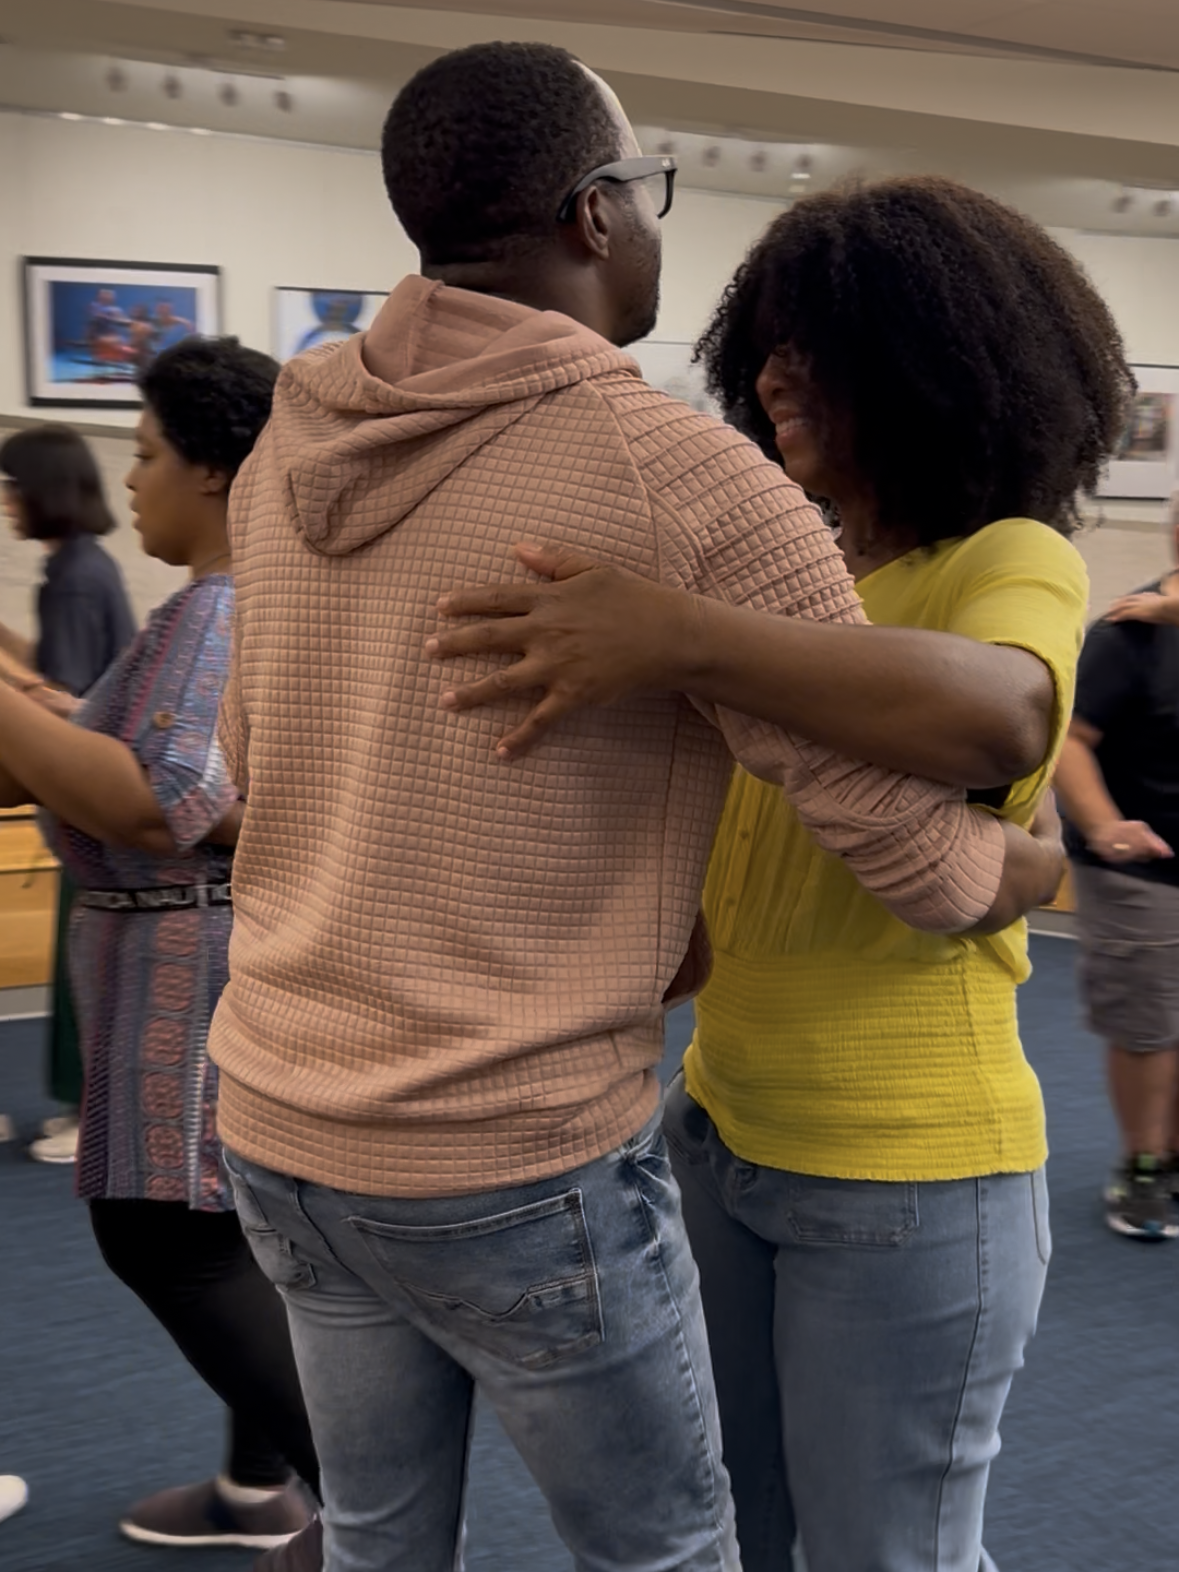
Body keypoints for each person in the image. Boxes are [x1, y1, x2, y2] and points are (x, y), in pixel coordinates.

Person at [210, 46, 1065, 1572]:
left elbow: (251, 767)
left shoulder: (287, 442)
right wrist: (1018, 866)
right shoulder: (676, 474)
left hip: (280, 1114)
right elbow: (913, 854)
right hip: (508, 1142)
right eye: (650, 192)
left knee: (376, 1540)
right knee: (664, 1551)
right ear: (595, 214)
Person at [429, 177, 1132, 1571]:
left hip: (908, 1171)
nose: (771, 372)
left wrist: (679, 636)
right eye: (765, 340)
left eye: (820, 343)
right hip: (720, 1135)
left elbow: (996, 717)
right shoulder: (795, 583)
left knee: (886, 1551)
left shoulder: (1003, 558)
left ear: (933, 366)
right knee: (740, 1525)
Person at [0, 339, 319, 1553]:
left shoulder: (222, 605)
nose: (128, 481)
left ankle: (376, 1503)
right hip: (180, 958)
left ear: (218, 471)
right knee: (228, 1235)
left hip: (184, 968)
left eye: (144, 455)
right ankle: (255, 1491)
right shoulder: (226, 604)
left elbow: (159, 797)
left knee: (171, 1237)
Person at [0, 424, 137, 1164]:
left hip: (88, 792)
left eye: (13, 486)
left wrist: (14, 692)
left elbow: (73, 700)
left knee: (94, 962)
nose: (6, 502)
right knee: (82, 958)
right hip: (76, 795)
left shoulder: (82, 575)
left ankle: (98, 1118)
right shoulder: (68, 573)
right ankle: (85, 1109)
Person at [1054, 491, 1179, 1239]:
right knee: (1147, 1027)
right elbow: (1069, 741)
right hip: (1140, 871)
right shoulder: (1128, 633)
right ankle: (1142, 1164)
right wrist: (1104, 829)